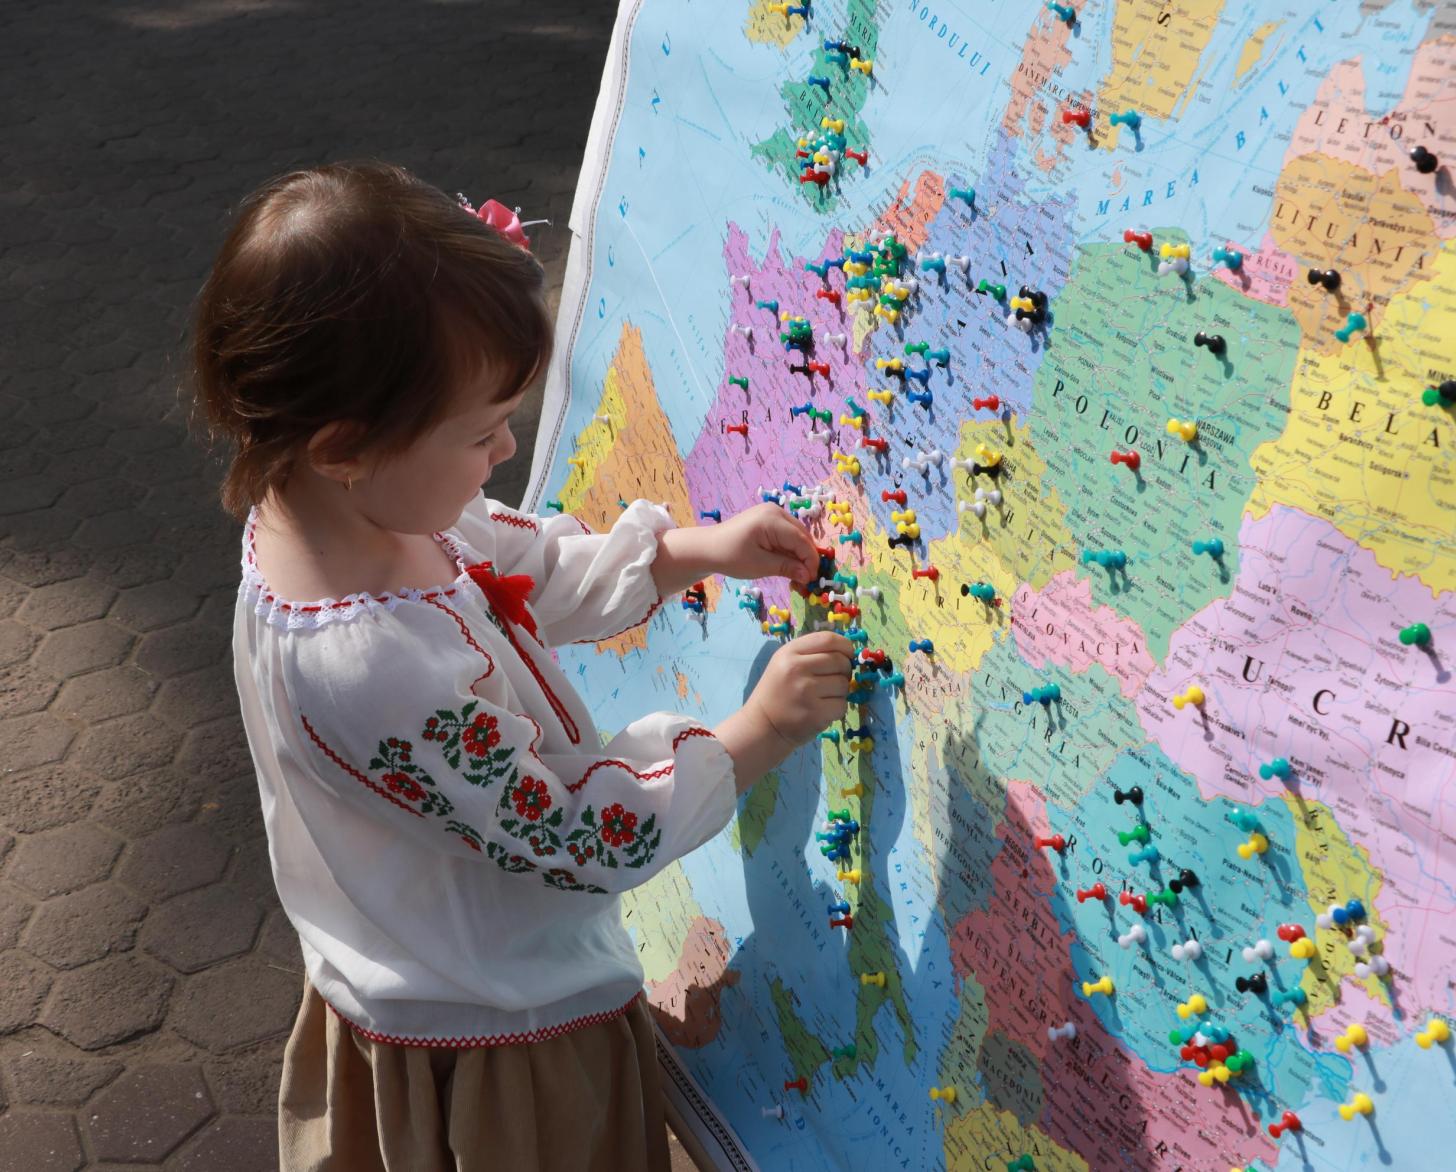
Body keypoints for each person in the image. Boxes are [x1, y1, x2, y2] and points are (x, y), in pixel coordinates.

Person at [183, 159, 853, 1171]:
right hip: (498, 1042)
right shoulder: (369, 664)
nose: (505, 447)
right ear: (342, 444)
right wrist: (753, 733)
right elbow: (578, 830)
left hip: (461, 979)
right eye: (480, 429)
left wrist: (688, 552)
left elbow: (522, 565)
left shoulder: (364, 511)